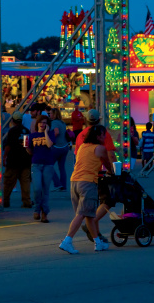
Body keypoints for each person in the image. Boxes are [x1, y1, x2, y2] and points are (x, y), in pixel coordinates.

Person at [59, 125, 115, 254]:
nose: (104, 137)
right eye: (102, 135)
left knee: (89, 215)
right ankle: (67, 241)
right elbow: (107, 164)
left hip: (74, 182)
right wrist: (113, 172)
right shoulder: (100, 149)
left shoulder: (83, 146)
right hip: (88, 182)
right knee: (82, 214)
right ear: (96, 136)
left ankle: (98, 242)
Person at [73, 110, 119, 240]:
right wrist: (115, 171)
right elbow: (110, 154)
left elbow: (77, 156)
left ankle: (96, 234)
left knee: (93, 205)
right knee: (108, 200)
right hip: (97, 174)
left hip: (80, 175)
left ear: (86, 120)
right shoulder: (102, 133)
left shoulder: (80, 135)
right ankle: (91, 227)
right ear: (99, 119)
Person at [26, 114, 55, 222]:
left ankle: (44, 213)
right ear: (37, 123)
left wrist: (46, 132)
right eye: (41, 122)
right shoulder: (32, 136)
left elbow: (49, 145)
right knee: (37, 188)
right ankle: (37, 208)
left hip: (48, 164)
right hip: (36, 164)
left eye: (45, 123)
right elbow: (30, 152)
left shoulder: (50, 134)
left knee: (45, 190)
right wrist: (26, 147)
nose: (42, 124)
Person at [3, 112, 32, 208]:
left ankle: (5, 201)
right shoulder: (26, 130)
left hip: (13, 160)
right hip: (25, 160)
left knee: (8, 182)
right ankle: (27, 201)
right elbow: (26, 145)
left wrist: (4, 157)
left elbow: (8, 146)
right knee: (25, 182)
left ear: (12, 120)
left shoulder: (12, 131)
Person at [49, 108, 70, 192]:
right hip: (65, 147)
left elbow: (56, 132)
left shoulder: (54, 122)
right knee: (62, 167)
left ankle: (57, 183)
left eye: (50, 113)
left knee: (49, 165)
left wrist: (50, 139)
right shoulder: (62, 123)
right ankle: (63, 186)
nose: (49, 115)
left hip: (57, 147)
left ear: (54, 114)